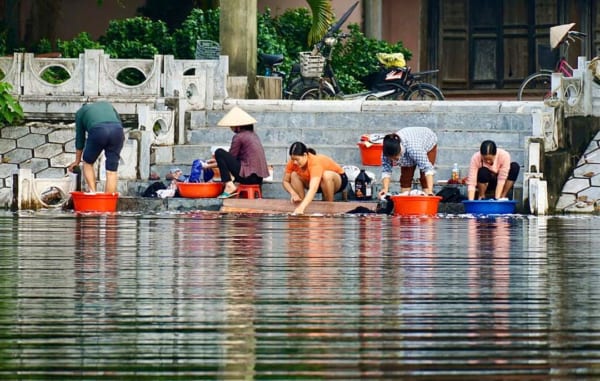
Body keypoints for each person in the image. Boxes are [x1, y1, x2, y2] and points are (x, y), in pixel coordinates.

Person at [203, 106, 270, 198]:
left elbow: (230, 158)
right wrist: (214, 162)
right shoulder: (253, 135)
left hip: (248, 177)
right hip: (258, 179)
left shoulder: (239, 137)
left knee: (219, 152)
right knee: (221, 155)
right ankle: (230, 185)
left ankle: (229, 185)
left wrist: (208, 166)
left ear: (237, 126)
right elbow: (231, 160)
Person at [67, 101, 124, 193]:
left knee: (88, 162)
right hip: (117, 131)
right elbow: (119, 123)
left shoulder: (80, 112)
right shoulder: (107, 105)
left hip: (98, 131)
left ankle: (93, 194)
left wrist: (77, 161)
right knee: (111, 170)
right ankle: (108, 204)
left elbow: (80, 138)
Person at [283, 141, 348, 214]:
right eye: (293, 159)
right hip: (315, 181)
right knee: (294, 175)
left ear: (305, 155)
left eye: (297, 160)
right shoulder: (293, 162)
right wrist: (293, 194)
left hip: (338, 180)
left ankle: (329, 206)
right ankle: (301, 201)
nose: (295, 162)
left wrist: (302, 208)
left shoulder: (315, 163)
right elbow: (285, 181)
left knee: (326, 175)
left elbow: (313, 188)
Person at [377, 127, 438, 198]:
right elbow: (386, 170)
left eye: (395, 158)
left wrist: (430, 191)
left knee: (424, 177)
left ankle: (427, 201)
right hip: (409, 142)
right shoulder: (386, 152)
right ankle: (405, 201)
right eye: (392, 159)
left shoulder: (414, 149)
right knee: (405, 178)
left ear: (399, 150)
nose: (394, 160)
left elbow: (427, 169)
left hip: (427, 140)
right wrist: (385, 189)